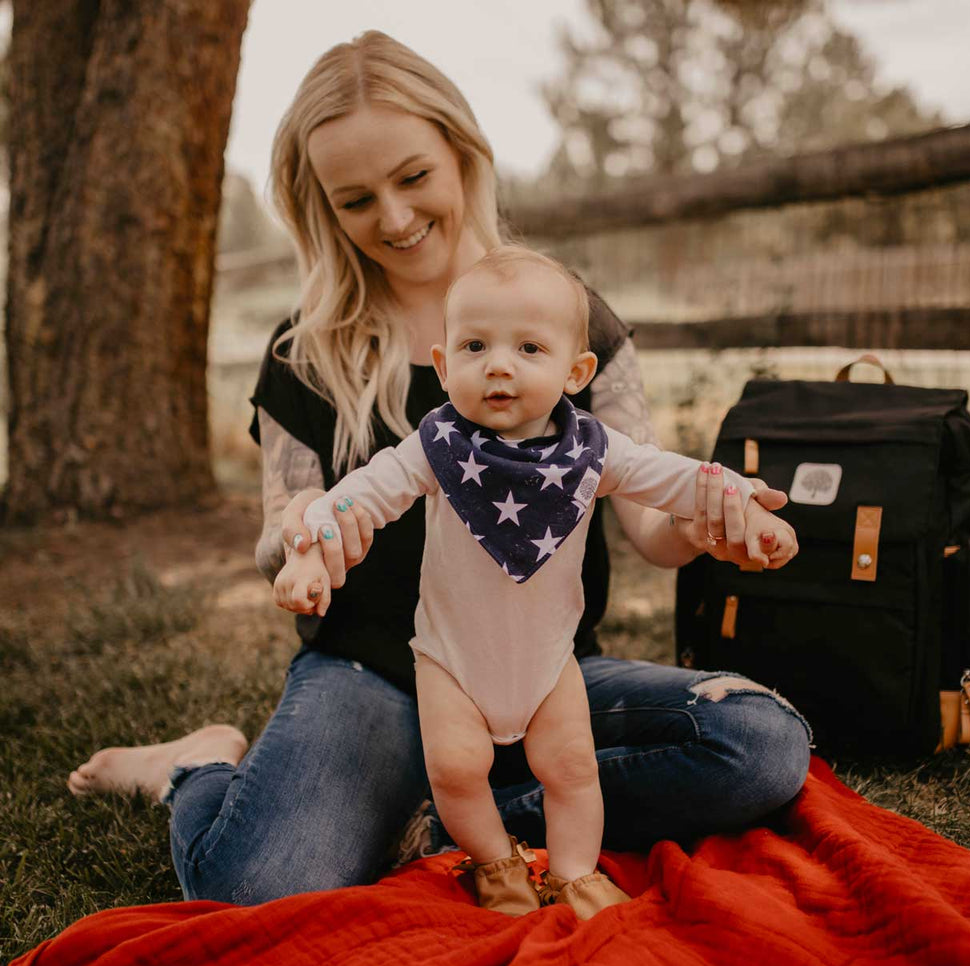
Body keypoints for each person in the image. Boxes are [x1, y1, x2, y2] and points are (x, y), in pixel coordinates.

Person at [68, 30, 811, 907]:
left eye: (413, 177)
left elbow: (648, 518)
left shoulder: (572, 320)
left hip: (545, 668)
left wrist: (701, 521)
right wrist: (305, 534)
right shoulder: (305, 352)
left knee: (759, 744)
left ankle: (448, 811)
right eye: (355, 199)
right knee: (256, 883)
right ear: (323, 208)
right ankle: (198, 765)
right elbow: (283, 524)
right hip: (373, 674)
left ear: (462, 154)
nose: (392, 217)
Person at [275, 245, 797, 918]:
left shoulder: (595, 452)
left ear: (577, 371)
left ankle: (575, 872)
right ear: (442, 365)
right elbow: (358, 495)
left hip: (550, 660)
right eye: (473, 346)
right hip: (451, 661)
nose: (498, 364)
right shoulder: (434, 450)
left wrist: (743, 506)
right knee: (457, 770)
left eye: (528, 348)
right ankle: (494, 861)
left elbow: (674, 477)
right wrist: (311, 549)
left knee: (572, 769)